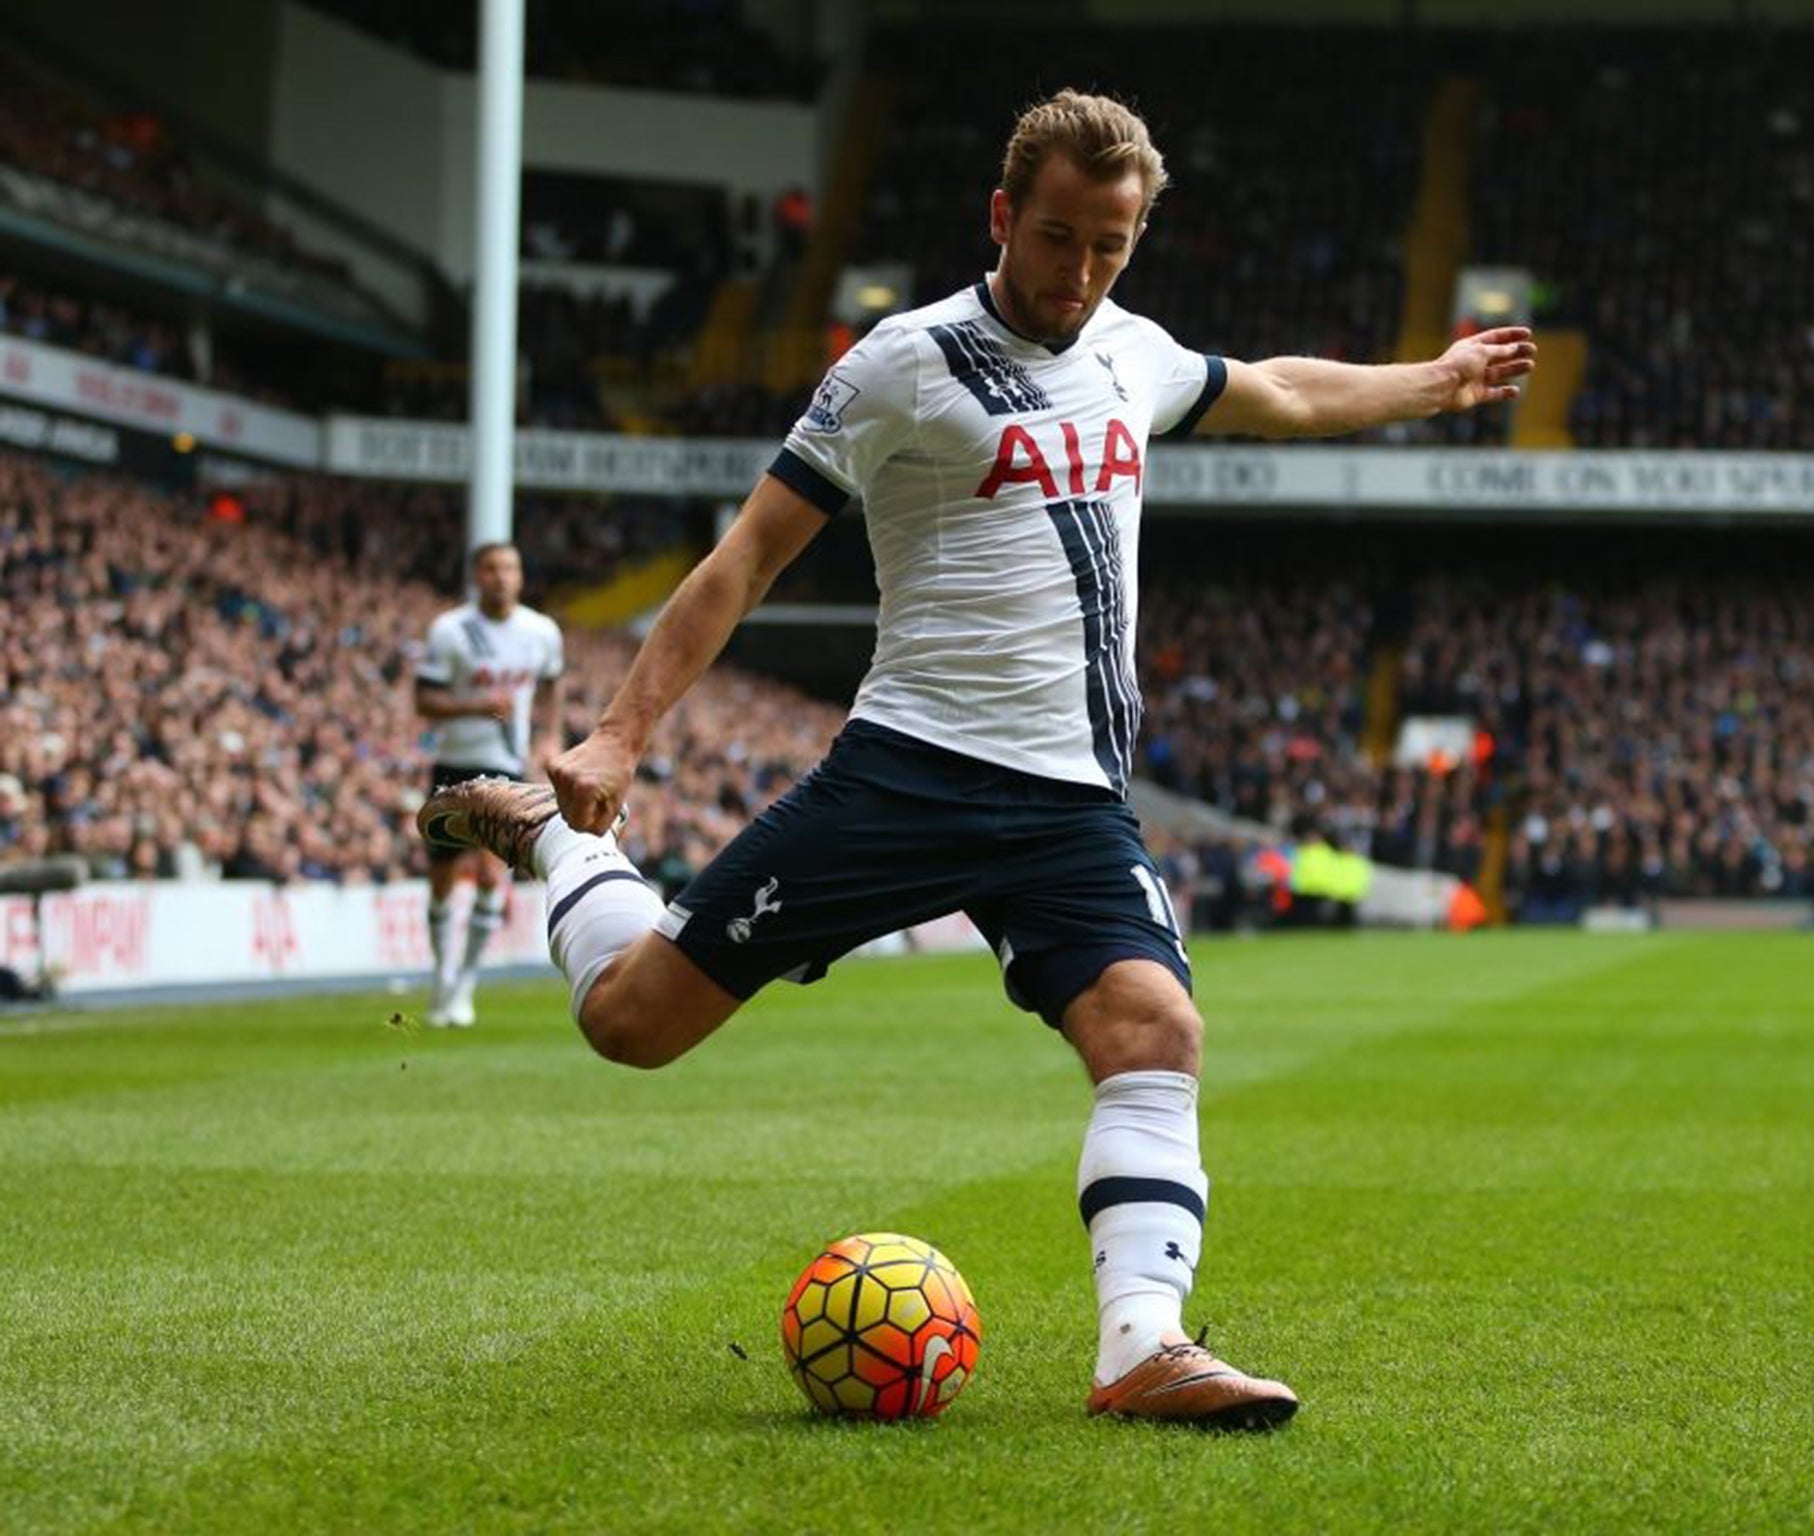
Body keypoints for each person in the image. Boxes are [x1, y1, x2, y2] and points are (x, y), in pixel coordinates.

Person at [420, 90, 1533, 1425]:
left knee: (1156, 1028)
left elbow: (1282, 388)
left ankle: (1141, 1344)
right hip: (907, 774)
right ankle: (560, 840)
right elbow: (746, 558)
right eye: (1058, 237)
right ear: (1004, 215)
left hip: (1071, 802)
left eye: (1110, 245)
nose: (1080, 272)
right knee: (633, 1025)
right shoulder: (905, 362)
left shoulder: (1133, 352)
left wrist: (1437, 380)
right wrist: (618, 735)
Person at [413, 543, 563, 1026]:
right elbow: (424, 699)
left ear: (520, 577)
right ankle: (442, 971)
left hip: (507, 769)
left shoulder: (540, 631)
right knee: (441, 881)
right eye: (492, 568)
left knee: (491, 875)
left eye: (510, 568)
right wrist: (476, 706)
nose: (501, 577)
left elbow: (553, 684)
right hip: (453, 764)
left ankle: (465, 985)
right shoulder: (450, 630)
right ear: (476, 575)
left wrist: (550, 735)